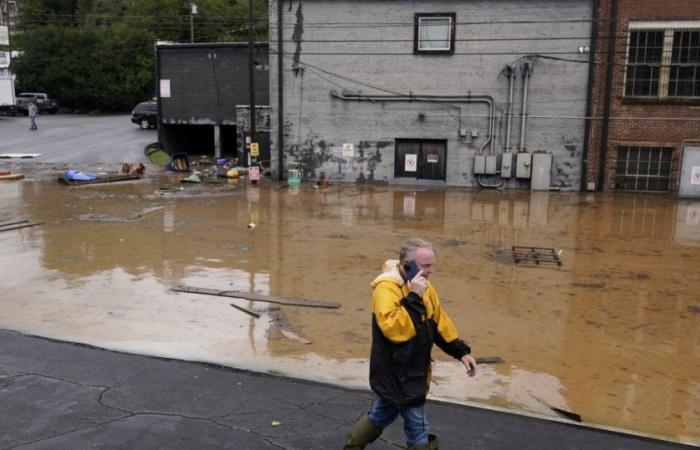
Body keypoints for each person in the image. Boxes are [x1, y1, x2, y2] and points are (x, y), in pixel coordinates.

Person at [344, 238, 476, 450]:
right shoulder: (386, 289)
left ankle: (351, 446)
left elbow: (438, 322)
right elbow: (395, 329)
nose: (431, 270)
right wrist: (414, 296)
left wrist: (461, 352)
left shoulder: (426, 287)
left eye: (432, 264)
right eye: (426, 266)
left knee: (382, 413)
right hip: (395, 372)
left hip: (414, 370)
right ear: (407, 265)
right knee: (418, 425)